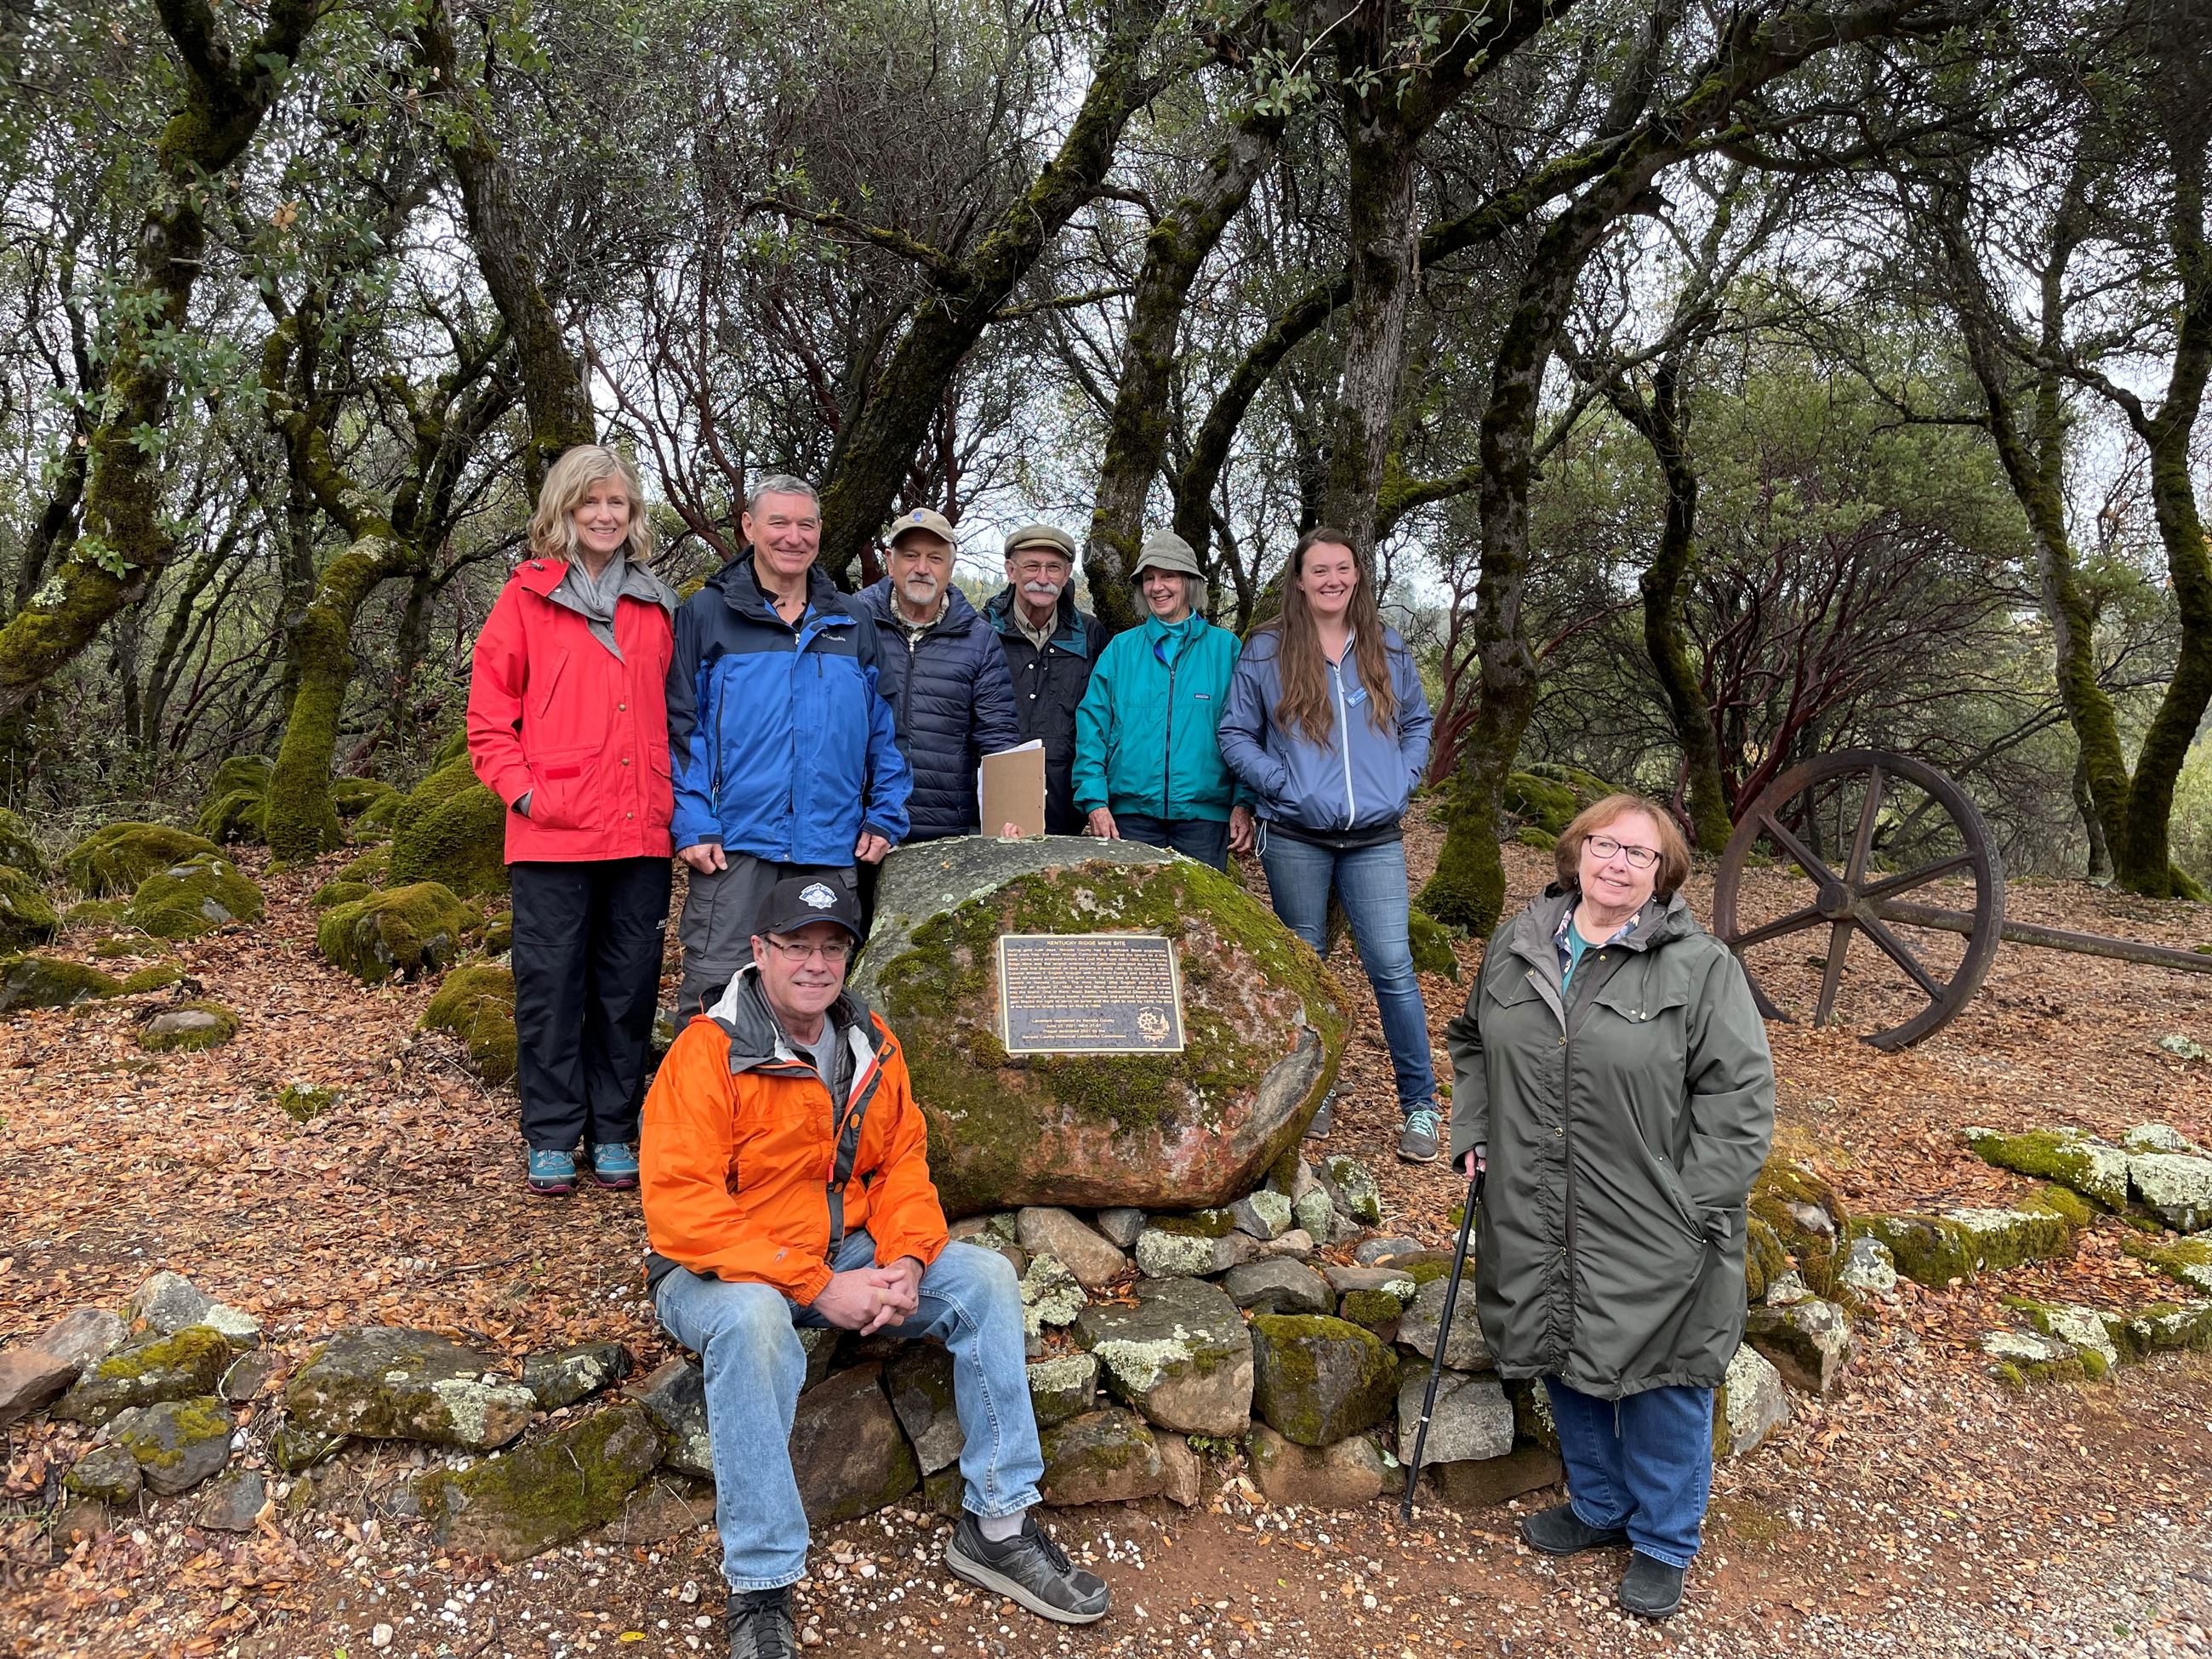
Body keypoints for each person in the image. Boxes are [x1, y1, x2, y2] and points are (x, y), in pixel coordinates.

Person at [641, 875, 1110, 1656]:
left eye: (832, 949)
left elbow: (901, 1169)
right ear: (759, 953)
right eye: (797, 947)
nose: (816, 965)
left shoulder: (870, 1044)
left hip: (846, 1250)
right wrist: (821, 1286)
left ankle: (997, 1524)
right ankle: (761, 1587)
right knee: (756, 1325)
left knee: (986, 1280)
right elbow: (684, 1210)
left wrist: (905, 1263)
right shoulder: (707, 1053)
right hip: (719, 1270)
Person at [1445, 794, 1774, 1621]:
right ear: (1576, 851)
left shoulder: (1699, 969)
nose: (1618, 863)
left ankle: (1664, 1540)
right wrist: (1473, 1131)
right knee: (1560, 1351)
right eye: (1606, 845)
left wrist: (1687, 1205)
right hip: (1532, 1202)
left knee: (1663, 1377)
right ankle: (1598, 1507)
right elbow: (1472, 1044)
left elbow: (1738, 1101)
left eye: (1640, 854)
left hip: (1650, 1212)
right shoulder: (1518, 945)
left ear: (1662, 875)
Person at [467, 444, 679, 1197]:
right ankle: (553, 1134)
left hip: (640, 827)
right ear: (563, 511)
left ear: (633, 515)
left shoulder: (657, 603)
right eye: (589, 503)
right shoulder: (523, 598)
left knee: (626, 986)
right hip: (552, 830)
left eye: (617, 503)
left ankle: (615, 1129)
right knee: (551, 986)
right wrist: (525, 794)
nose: (603, 515)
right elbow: (489, 719)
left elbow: (677, 713)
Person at [1217, 527, 1441, 1160]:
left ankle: (1420, 1106)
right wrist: (1279, 784)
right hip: (1293, 836)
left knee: (1393, 967)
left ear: (1357, 578)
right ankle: (1317, 1091)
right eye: (1319, 571)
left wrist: (1401, 780)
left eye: (1342, 569)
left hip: (1375, 838)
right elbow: (1236, 733)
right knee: (1307, 963)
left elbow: (1418, 722)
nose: (1332, 580)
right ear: (1300, 580)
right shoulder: (1266, 650)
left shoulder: (1386, 647)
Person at [666, 475, 911, 1018]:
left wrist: (884, 816)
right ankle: (703, 1105)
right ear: (749, 527)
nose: (793, 537)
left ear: (821, 532)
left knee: (814, 997)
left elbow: (887, 733)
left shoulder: (853, 622)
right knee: (716, 995)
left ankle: (808, 1106)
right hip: (733, 846)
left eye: (806, 524)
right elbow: (681, 731)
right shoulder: (706, 616)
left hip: (829, 848)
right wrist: (693, 823)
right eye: (778, 522)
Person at [1070, 530, 1252, 869]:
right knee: (1131, 922)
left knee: (1198, 921)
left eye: (1168, 576)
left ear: (1190, 583)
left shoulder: (1226, 649)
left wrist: (1243, 802)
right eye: (1149, 578)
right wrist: (1095, 800)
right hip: (1129, 819)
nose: (1157, 587)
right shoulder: (1120, 650)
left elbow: (1247, 731)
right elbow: (1091, 727)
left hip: (1205, 820)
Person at [855, 508, 1023, 840]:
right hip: (857, 823)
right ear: (890, 561)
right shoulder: (852, 623)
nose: (922, 568)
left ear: (950, 567)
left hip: (944, 829)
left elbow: (998, 737)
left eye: (934, 558)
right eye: (911, 556)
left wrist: (1010, 815)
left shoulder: (979, 638)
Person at [983, 524, 1102, 834]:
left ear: (1067, 574)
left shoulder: (1090, 636)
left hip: (1066, 806)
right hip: (994, 801)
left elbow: (1102, 720)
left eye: (1053, 568)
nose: (1043, 578)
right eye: (1032, 566)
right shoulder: (982, 631)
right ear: (1011, 570)